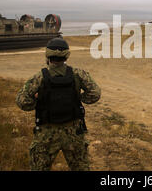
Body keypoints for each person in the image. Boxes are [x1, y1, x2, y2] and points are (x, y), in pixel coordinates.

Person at [16, 37, 101, 170]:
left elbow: (22, 101)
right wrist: (79, 97)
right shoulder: (77, 74)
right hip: (73, 132)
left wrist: (38, 101)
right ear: (67, 55)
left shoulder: (39, 77)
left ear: (47, 55)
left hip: (46, 133)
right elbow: (95, 93)